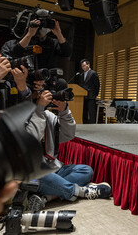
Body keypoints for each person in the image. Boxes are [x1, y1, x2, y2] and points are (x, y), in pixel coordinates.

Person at [23, 80, 111, 212]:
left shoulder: (48, 115)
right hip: (31, 172)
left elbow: (68, 135)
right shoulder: (22, 115)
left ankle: (47, 196)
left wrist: (64, 112)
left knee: (86, 170)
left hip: (51, 167)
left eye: (44, 91)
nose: (43, 95)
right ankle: (82, 191)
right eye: (39, 92)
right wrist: (39, 109)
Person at [2, 18, 71, 70]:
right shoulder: (12, 43)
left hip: (45, 78)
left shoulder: (52, 42)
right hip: (23, 76)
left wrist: (59, 34)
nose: (41, 27)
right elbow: (15, 53)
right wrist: (30, 34)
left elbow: (66, 53)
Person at [78, 59, 100, 124]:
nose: (83, 67)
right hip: (83, 96)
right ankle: (84, 123)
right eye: (82, 66)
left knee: (91, 111)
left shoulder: (93, 73)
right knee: (84, 111)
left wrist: (95, 94)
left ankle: (92, 125)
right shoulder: (81, 75)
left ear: (88, 65)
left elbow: (97, 85)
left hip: (91, 95)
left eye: (84, 66)